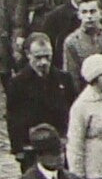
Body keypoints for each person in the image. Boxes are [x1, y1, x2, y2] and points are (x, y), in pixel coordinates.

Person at [6, 34, 77, 164]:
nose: (43, 62)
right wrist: (18, 148)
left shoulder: (64, 79)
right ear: (28, 55)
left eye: (47, 57)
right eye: (38, 57)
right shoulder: (18, 83)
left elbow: (72, 109)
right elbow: (13, 117)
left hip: (59, 143)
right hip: (32, 146)